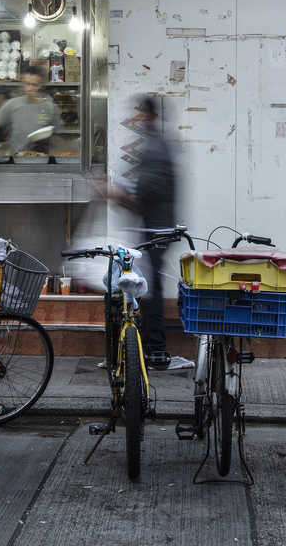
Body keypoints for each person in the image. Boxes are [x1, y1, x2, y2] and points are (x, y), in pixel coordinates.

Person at [103, 95, 193, 371]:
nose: (135, 118)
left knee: (148, 291)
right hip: (153, 228)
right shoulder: (157, 145)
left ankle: (155, 352)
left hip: (154, 230)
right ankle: (146, 349)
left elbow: (143, 196)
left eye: (138, 113)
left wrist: (112, 195)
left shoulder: (154, 148)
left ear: (148, 115)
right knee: (143, 288)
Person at [0, 66, 56, 154]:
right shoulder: (12, 104)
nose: (30, 88)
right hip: (17, 158)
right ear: (22, 84)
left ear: (40, 85)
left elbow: (56, 135)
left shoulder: (49, 107)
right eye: (27, 84)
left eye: (34, 84)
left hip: (42, 158)